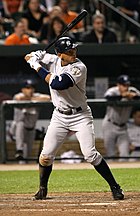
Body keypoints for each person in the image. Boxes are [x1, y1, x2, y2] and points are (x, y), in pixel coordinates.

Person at [24, 36, 124, 200]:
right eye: (69, 52)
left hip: (80, 116)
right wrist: (35, 55)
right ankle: (42, 188)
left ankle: (115, 186)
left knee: (90, 154)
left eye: (74, 50)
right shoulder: (53, 59)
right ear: (60, 54)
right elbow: (27, 56)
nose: (73, 54)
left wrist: (36, 65)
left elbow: (58, 84)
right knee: (46, 156)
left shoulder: (79, 67)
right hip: (59, 116)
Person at [9, 79, 51, 162]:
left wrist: (31, 98)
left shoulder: (36, 95)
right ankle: (19, 150)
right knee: (20, 124)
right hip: (16, 128)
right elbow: (19, 98)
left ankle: (21, 164)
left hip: (31, 129)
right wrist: (33, 99)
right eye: (27, 88)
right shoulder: (18, 95)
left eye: (32, 88)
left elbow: (48, 98)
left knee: (27, 154)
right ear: (23, 89)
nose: (30, 90)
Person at [102, 75, 140, 161]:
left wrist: (133, 96)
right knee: (110, 154)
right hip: (109, 125)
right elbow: (108, 98)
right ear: (118, 85)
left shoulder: (132, 91)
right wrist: (123, 96)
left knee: (125, 154)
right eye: (123, 85)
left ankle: (124, 173)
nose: (125, 87)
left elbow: (138, 97)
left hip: (123, 127)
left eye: (127, 85)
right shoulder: (113, 91)